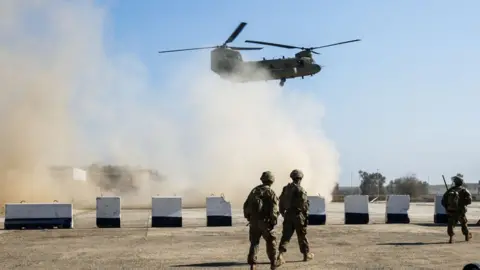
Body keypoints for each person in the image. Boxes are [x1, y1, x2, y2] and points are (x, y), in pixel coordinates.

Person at [276, 169, 314, 267]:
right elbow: (304, 206)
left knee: (286, 236)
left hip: (288, 215)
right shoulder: (300, 190)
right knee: (302, 236)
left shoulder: (286, 189)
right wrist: (305, 215)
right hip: (298, 215)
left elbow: (281, 202)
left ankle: (280, 255)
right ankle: (306, 255)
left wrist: (283, 212)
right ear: (300, 179)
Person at [243, 171, 280, 270]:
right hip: (265, 222)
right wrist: (273, 221)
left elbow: (246, 205)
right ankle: (273, 263)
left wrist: (249, 218)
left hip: (254, 222)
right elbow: (274, 209)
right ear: (272, 181)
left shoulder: (254, 191)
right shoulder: (270, 192)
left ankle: (252, 264)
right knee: (271, 241)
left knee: (254, 242)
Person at [441, 173, 473, 243]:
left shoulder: (450, 190)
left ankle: (451, 238)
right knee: (464, 223)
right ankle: (466, 236)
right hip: (461, 211)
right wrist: (463, 203)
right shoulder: (464, 190)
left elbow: (443, 201)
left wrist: (447, 207)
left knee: (451, 224)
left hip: (451, 210)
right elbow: (469, 200)